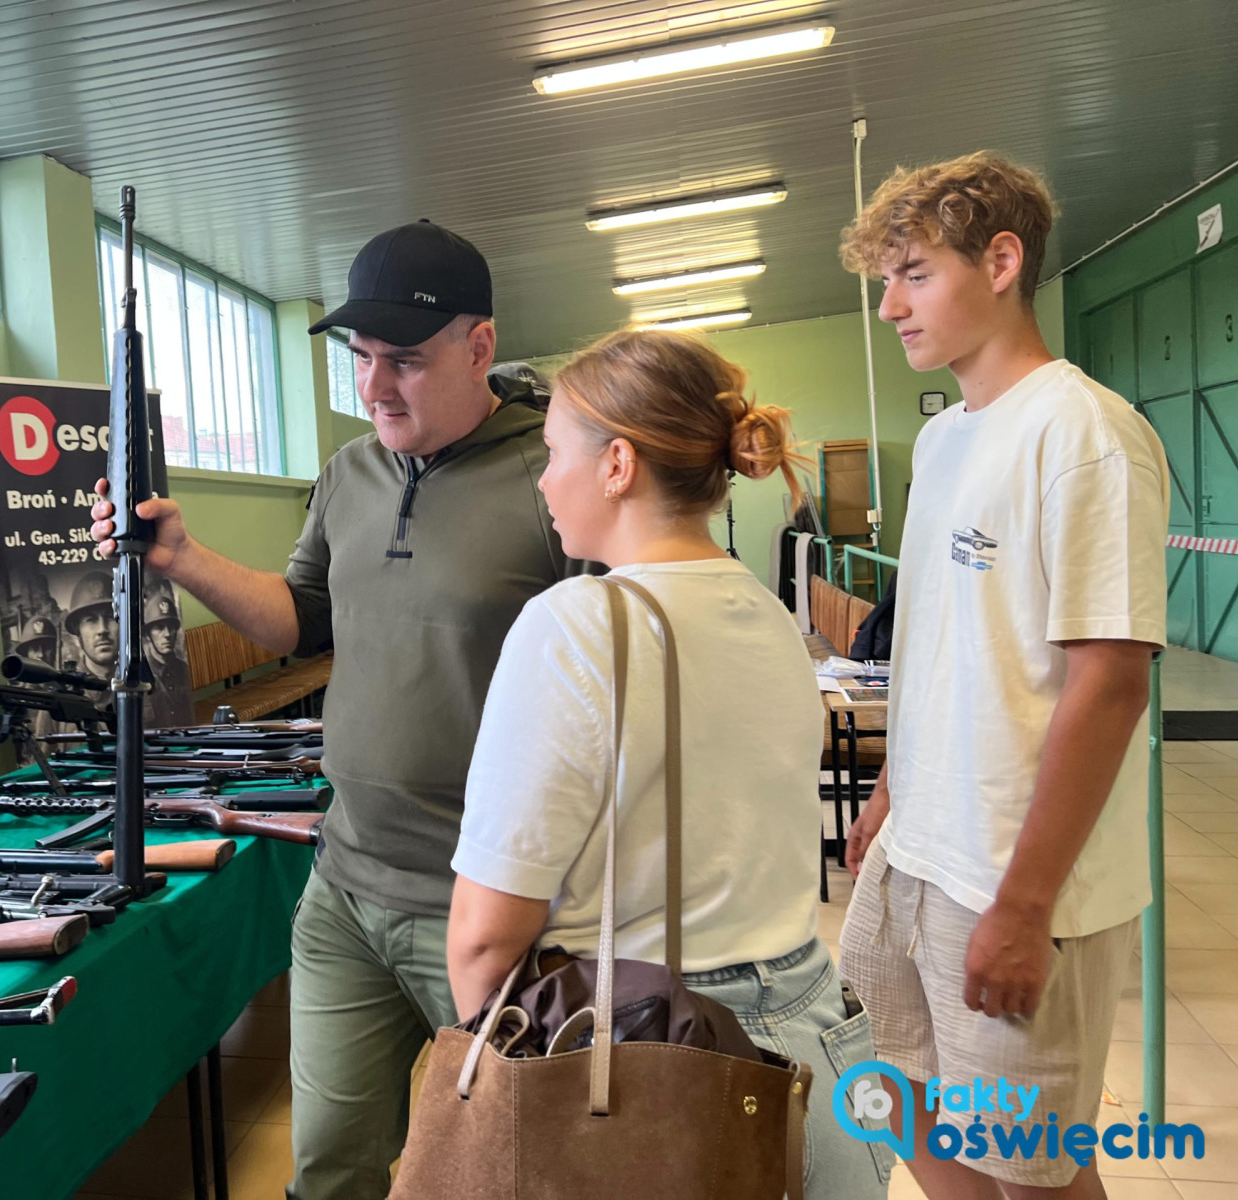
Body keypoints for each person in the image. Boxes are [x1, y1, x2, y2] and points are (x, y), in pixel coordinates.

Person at [91, 219, 587, 1200]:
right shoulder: (349, 473)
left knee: (523, 1170)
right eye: (361, 358)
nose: (374, 386)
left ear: (479, 346)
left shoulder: (554, 474)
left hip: (495, 900)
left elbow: (615, 676)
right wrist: (181, 557)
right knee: (327, 1169)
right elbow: (300, 620)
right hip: (346, 885)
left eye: (404, 360)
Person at [447, 329, 891, 1200]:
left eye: (553, 453)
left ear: (617, 465)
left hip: (656, 1058)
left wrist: (496, 1092)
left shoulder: (576, 624)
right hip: (816, 1039)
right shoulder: (768, 613)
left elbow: (485, 934)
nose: (543, 481)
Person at [836, 152, 1168, 1198]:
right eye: (884, 280)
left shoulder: (1086, 435)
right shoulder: (944, 439)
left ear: (1002, 261)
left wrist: (1024, 907)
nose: (889, 306)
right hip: (921, 850)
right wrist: (889, 794)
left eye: (914, 274)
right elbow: (944, 647)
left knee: (1033, 1171)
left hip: (1017, 877)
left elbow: (1110, 682)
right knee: (895, 1093)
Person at [143, 585, 196, 728]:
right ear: (147, 634)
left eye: (171, 627)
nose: (167, 634)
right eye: (159, 628)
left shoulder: (182, 670)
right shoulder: (142, 675)